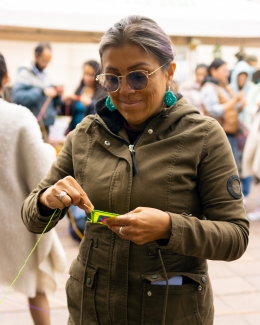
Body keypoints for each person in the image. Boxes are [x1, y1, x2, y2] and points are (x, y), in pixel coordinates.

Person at [22, 16, 249, 325]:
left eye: (139, 77)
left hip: (170, 311)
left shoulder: (203, 135)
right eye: (112, 78)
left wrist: (170, 228)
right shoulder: (86, 134)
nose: (125, 90)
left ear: (169, 72)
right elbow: (34, 218)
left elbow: (235, 235)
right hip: (92, 309)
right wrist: (47, 198)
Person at [0, 53, 66, 325]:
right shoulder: (17, 117)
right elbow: (43, 172)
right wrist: (50, 151)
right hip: (15, 220)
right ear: (6, 78)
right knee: (36, 285)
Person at [201, 58, 246, 165]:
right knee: (225, 169)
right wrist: (235, 100)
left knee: (233, 168)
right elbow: (213, 111)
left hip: (229, 134)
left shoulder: (222, 86)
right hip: (220, 134)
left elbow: (230, 110)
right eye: (224, 70)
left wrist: (240, 106)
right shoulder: (209, 88)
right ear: (213, 70)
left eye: (228, 71)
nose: (227, 74)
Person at [12, 42, 63, 135]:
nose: (46, 64)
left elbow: (50, 101)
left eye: (48, 61)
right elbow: (18, 97)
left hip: (45, 125)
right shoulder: (24, 74)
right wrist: (41, 92)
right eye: (44, 60)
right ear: (36, 55)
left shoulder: (46, 76)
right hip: (29, 124)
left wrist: (56, 95)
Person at [64, 60, 103, 131]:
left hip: (90, 133)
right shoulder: (80, 89)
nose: (87, 78)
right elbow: (70, 111)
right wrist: (66, 102)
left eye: (91, 75)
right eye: (85, 74)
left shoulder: (102, 92)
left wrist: (91, 104)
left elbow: (102, 114)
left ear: (98, 75)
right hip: (74, 131)